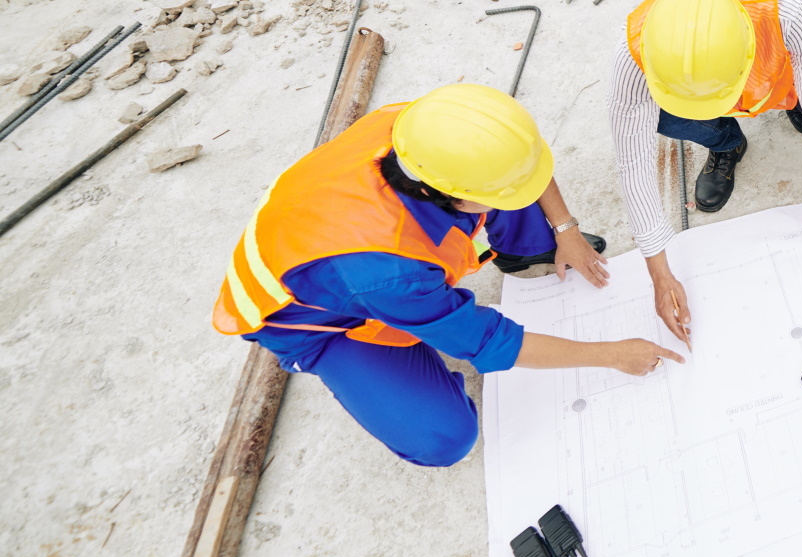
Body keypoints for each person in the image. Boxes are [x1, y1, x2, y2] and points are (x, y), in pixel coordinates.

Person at [212, 83, 682, 467]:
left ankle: (519, 250)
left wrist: (566, 230)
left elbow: (525, 166)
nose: (518, 193)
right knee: (444, 438)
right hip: (320, 323)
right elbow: (492, 343)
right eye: (491, 195)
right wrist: (614, 354)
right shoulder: (392, 271)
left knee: (510, 194)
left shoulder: (433, 129)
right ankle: (394, 355)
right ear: (439, 194)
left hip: (347, 251)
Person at [608, 0, 802, 344]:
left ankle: (791, 98)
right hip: (739, 76)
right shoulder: (637, 55)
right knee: (657, 117)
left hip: (788, 58)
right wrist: (659, 272)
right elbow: (633, 163)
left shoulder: (787, 10)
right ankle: (727, 142)